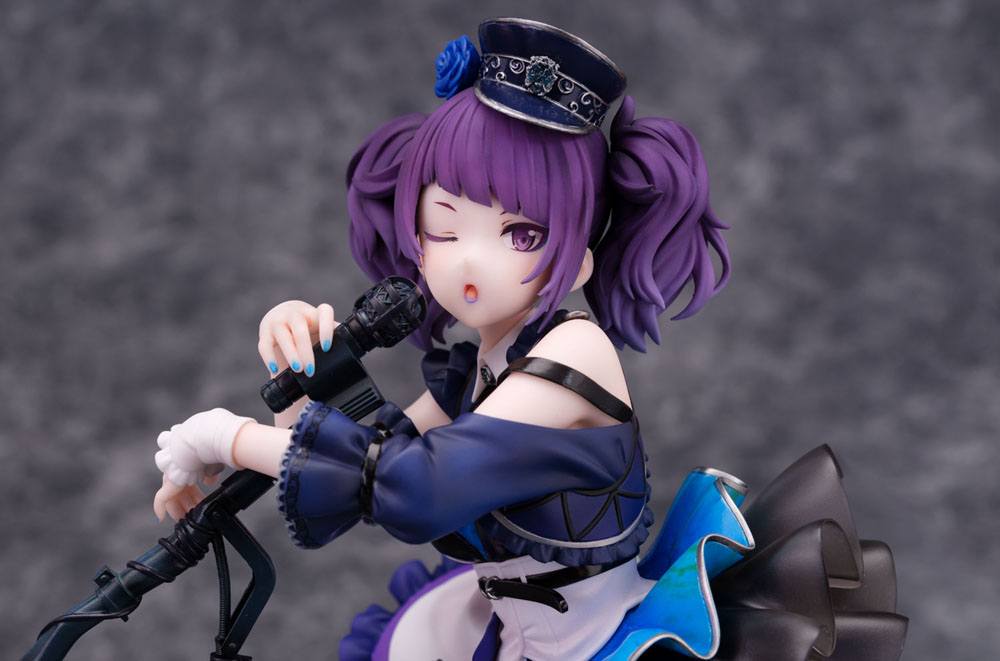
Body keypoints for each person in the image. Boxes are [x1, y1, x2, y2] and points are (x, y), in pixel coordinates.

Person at [151, 19, 906, 660]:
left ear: (577, 259)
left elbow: (413, 487)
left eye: (520, 234)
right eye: (445, 224)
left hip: (591, 643)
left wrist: (221, 435)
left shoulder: (571, 357)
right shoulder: (484, 362)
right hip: (511, 629)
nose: (470, 262)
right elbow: (363, 462)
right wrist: (303, 368)